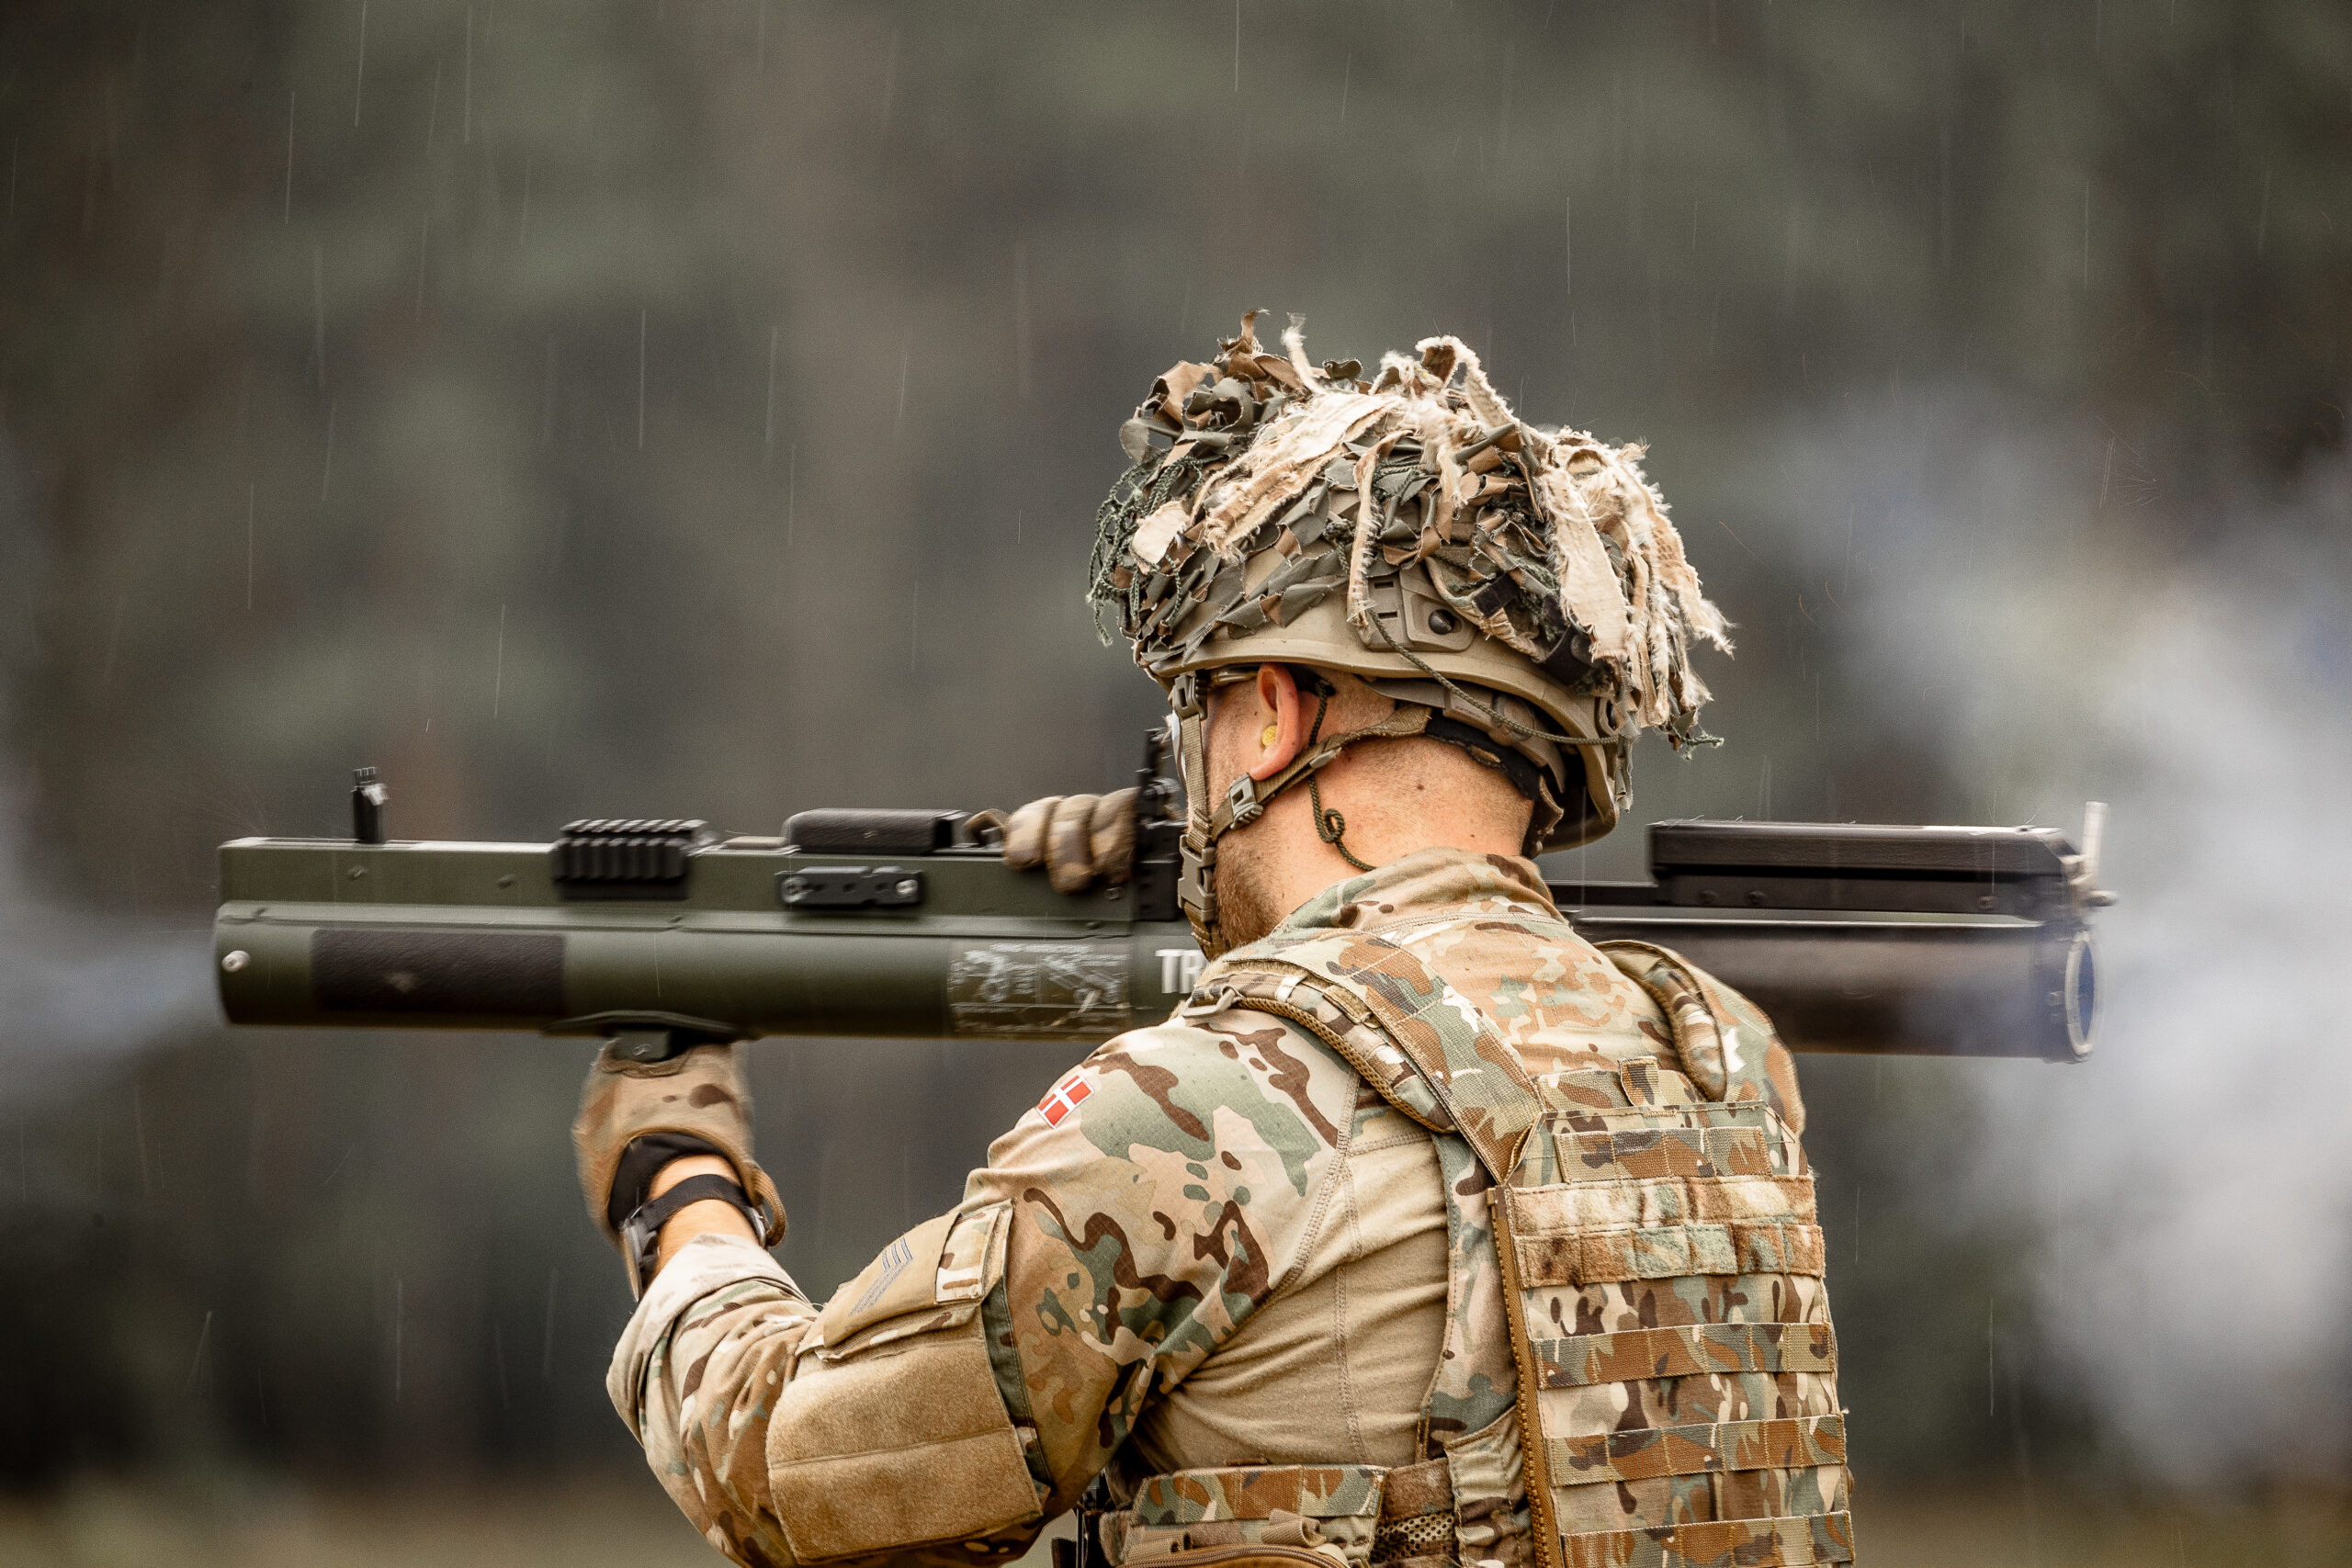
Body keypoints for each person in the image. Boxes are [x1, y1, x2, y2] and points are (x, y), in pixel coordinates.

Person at [572, 315, 1852, 1568]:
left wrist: (679, 1192)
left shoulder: (1206, 1117)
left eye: (1201, 711)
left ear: (1275, 715)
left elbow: (789, 1483)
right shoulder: (1726, 1067)